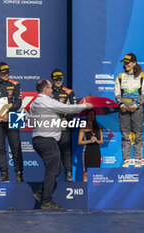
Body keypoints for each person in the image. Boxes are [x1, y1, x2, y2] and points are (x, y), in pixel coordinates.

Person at [30, 80, 92, 210]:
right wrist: (84, 106)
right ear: (46, 89)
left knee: (58, 168)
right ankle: (46, 201)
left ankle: (41, 192)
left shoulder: (34, 103)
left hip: (38, 140)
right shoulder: (47, 101)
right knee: (53, 169)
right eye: (51, 88)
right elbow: (68, 108)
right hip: (47, 140)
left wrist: (55, 117)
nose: (52, 90)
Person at [0, 62, 24, 182]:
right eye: (3, 73)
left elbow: (18, 102)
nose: (6, 74)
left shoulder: (15, 84)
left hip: (12, 118)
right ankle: (4, 173)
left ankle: (19, 173)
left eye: (7, 72)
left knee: (16, 146)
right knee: (0, 148)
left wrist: (9, 113)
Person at [114, 53, 144, 168]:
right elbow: (117, 92)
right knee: (125, 134)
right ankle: (127, 160)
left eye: (128, 62)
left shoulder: (143, 76)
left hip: (136, 107)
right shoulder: (120, 76)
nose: (126, 64)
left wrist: (137, 104)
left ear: (134, 63)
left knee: (138, 134)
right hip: (123, 107)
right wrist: (121, 104)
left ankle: (138, 159)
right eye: (124, 62)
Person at [51, 69, 77, 182]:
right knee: (52, 152)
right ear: (52, 79)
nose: (58, 81)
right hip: (50, 126)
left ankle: (69, 174)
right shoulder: (47, 91)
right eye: (56, 79)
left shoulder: (68, 92)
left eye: (60, 78)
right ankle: (53, 175)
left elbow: (74, 109)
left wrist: (66, 118)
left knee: (66, 151)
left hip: (63, 126)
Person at [78, 109, 103, 182]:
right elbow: (79, 142)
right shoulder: (83, 128)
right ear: (87, 116)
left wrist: (96, 140)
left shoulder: (98, 127)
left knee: (96, 173)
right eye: (90, 114)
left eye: (93, 114)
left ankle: (94, 191)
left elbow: (101, 141)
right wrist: (89, 141)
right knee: (86, 173)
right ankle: (86, 191)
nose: (92, 116)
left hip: (96, 152)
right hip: (87, 152)